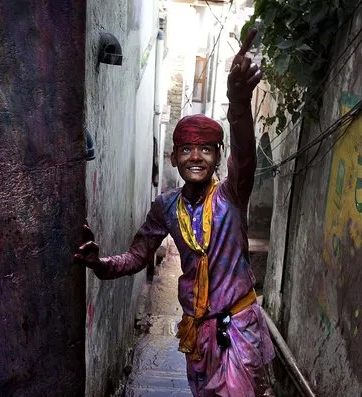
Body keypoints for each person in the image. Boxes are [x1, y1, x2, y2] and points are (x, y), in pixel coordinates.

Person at [74, 29, 275, 396]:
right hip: (198, 332)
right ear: (174, 158)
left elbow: (246, 156)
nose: (196, 157)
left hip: (240, 328)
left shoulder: (231, 195)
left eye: (205, 150)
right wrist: (99, 263)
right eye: (186, 150)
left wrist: (239, 102)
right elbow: (138, 256)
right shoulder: (166, 206)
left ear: (217, 156)